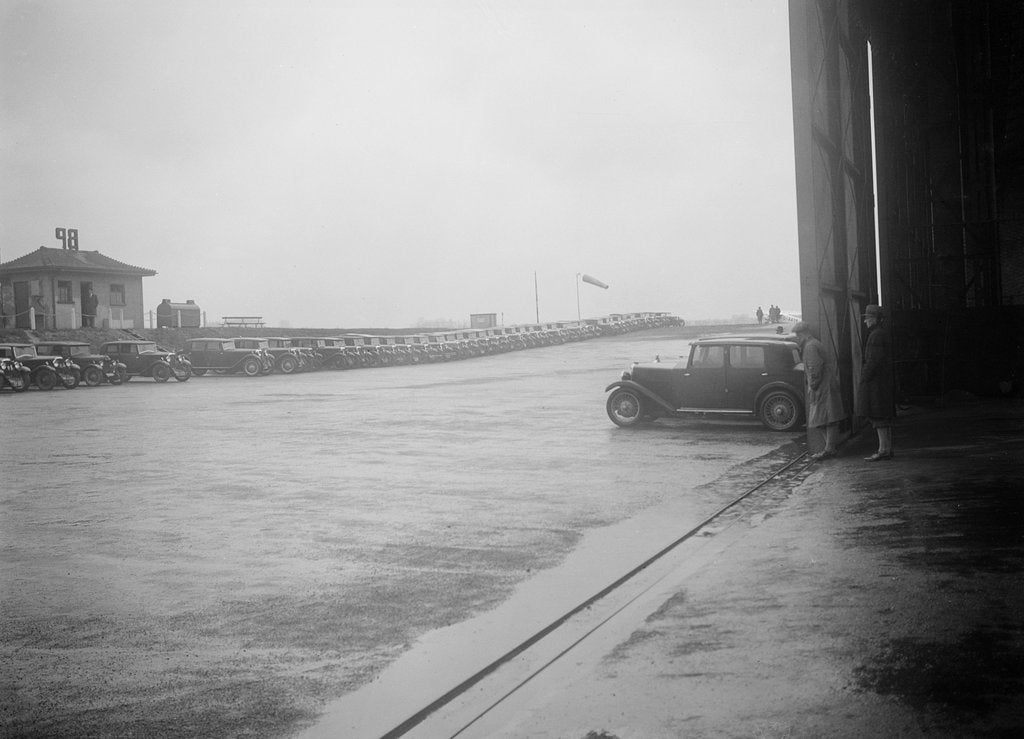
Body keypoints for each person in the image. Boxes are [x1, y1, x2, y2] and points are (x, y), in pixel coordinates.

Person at [793, 322, 845, 459]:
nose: (797, 338)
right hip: (826, 385)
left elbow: (814, 369)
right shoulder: (815, 343)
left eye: (797, 335)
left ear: (803, 334)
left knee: (824, 418)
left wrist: (813, 386)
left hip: (822, 387)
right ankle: (830, 447)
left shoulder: (810, 347)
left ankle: (829, 449)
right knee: (825, 418)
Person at [856, 304, 895, 461]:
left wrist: (864, 377)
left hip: (876, 383)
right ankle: (887, 448)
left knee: (878, 416)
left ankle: (883, 449)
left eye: (868, 318)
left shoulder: (875, 335)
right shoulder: (881, 333)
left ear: (874, 319)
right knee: (883, 416)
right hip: (882, 381)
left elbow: (873, 360)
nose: (865, 321)